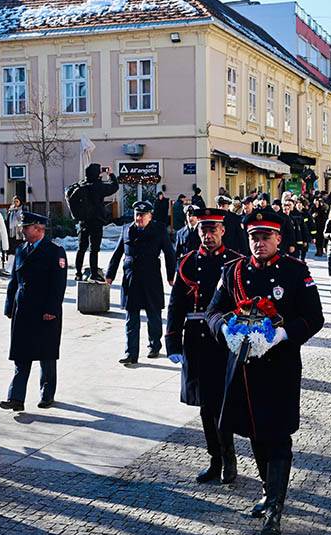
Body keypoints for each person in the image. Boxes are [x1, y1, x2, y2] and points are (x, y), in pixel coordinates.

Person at [206, 208, 324, 535]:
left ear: (278, 239)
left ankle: (275, 508)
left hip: (280, 367)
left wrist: (283, 335)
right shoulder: (233, 272)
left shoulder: (295, 271)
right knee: (255, 433)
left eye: (265, 237)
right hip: (243, 369)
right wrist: (225, 331)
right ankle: (266, 491)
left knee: (278, 435)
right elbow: (214, 311)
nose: (259, 243)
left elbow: (314, 318)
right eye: (254, 237)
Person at [165, 208, 243, 484]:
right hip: (196, 341)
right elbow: (175, 305)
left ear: (223, 231)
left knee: (223, 404)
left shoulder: (235, 262)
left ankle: (229, 458)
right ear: (197, 232)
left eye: (213, 230)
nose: (208, 236)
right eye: (203, 231)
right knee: (205, 407)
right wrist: (172, 340)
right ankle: (215, 458)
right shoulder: (187, 262)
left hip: (224, 342)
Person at [0, 211, 68, 411]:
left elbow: (58, 285)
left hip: (44, 311)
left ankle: (47, 394)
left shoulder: (55, 252)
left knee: (46, 355)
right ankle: (16, 398)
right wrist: (9, 305)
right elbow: (14, 281)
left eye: (26, 227)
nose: (22, 230)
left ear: (39, 229)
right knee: (21, 355)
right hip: (23, 310)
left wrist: (52, 309)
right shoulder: (21, 250)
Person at [107, 201, 176, 367]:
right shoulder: (126, 229)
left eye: (142, 215)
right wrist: (109, 275)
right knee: (131, 317)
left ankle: (154, 344)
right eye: (137, 214)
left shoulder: (159, 229)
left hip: (151, 278)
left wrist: (171, 275)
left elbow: (169, 253)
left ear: (150, 216)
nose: (139, 218)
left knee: (153, 315)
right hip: (131, 280)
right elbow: (117, 254)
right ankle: (131, 353)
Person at [74, 163, 119, 282]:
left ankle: (78, 273)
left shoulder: (82, 185)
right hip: (96, 221)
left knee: (81, 248)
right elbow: (114, 187)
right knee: (94, 249)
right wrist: (111, 174)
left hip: (83, 221)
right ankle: (94, 273)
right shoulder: (98, 186)